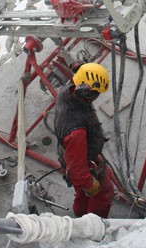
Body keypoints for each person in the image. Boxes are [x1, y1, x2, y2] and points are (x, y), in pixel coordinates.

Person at [54, 62, 114, 218]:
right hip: (82, 160)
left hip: (73, 153)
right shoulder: (76, 132)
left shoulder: (67, 92)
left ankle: (80, 214)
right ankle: (94, 223)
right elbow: (77, 169)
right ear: (87, 92)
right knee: (103, 193)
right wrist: (90, 184)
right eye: (97, 93)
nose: (98, 96)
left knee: (81, 193)